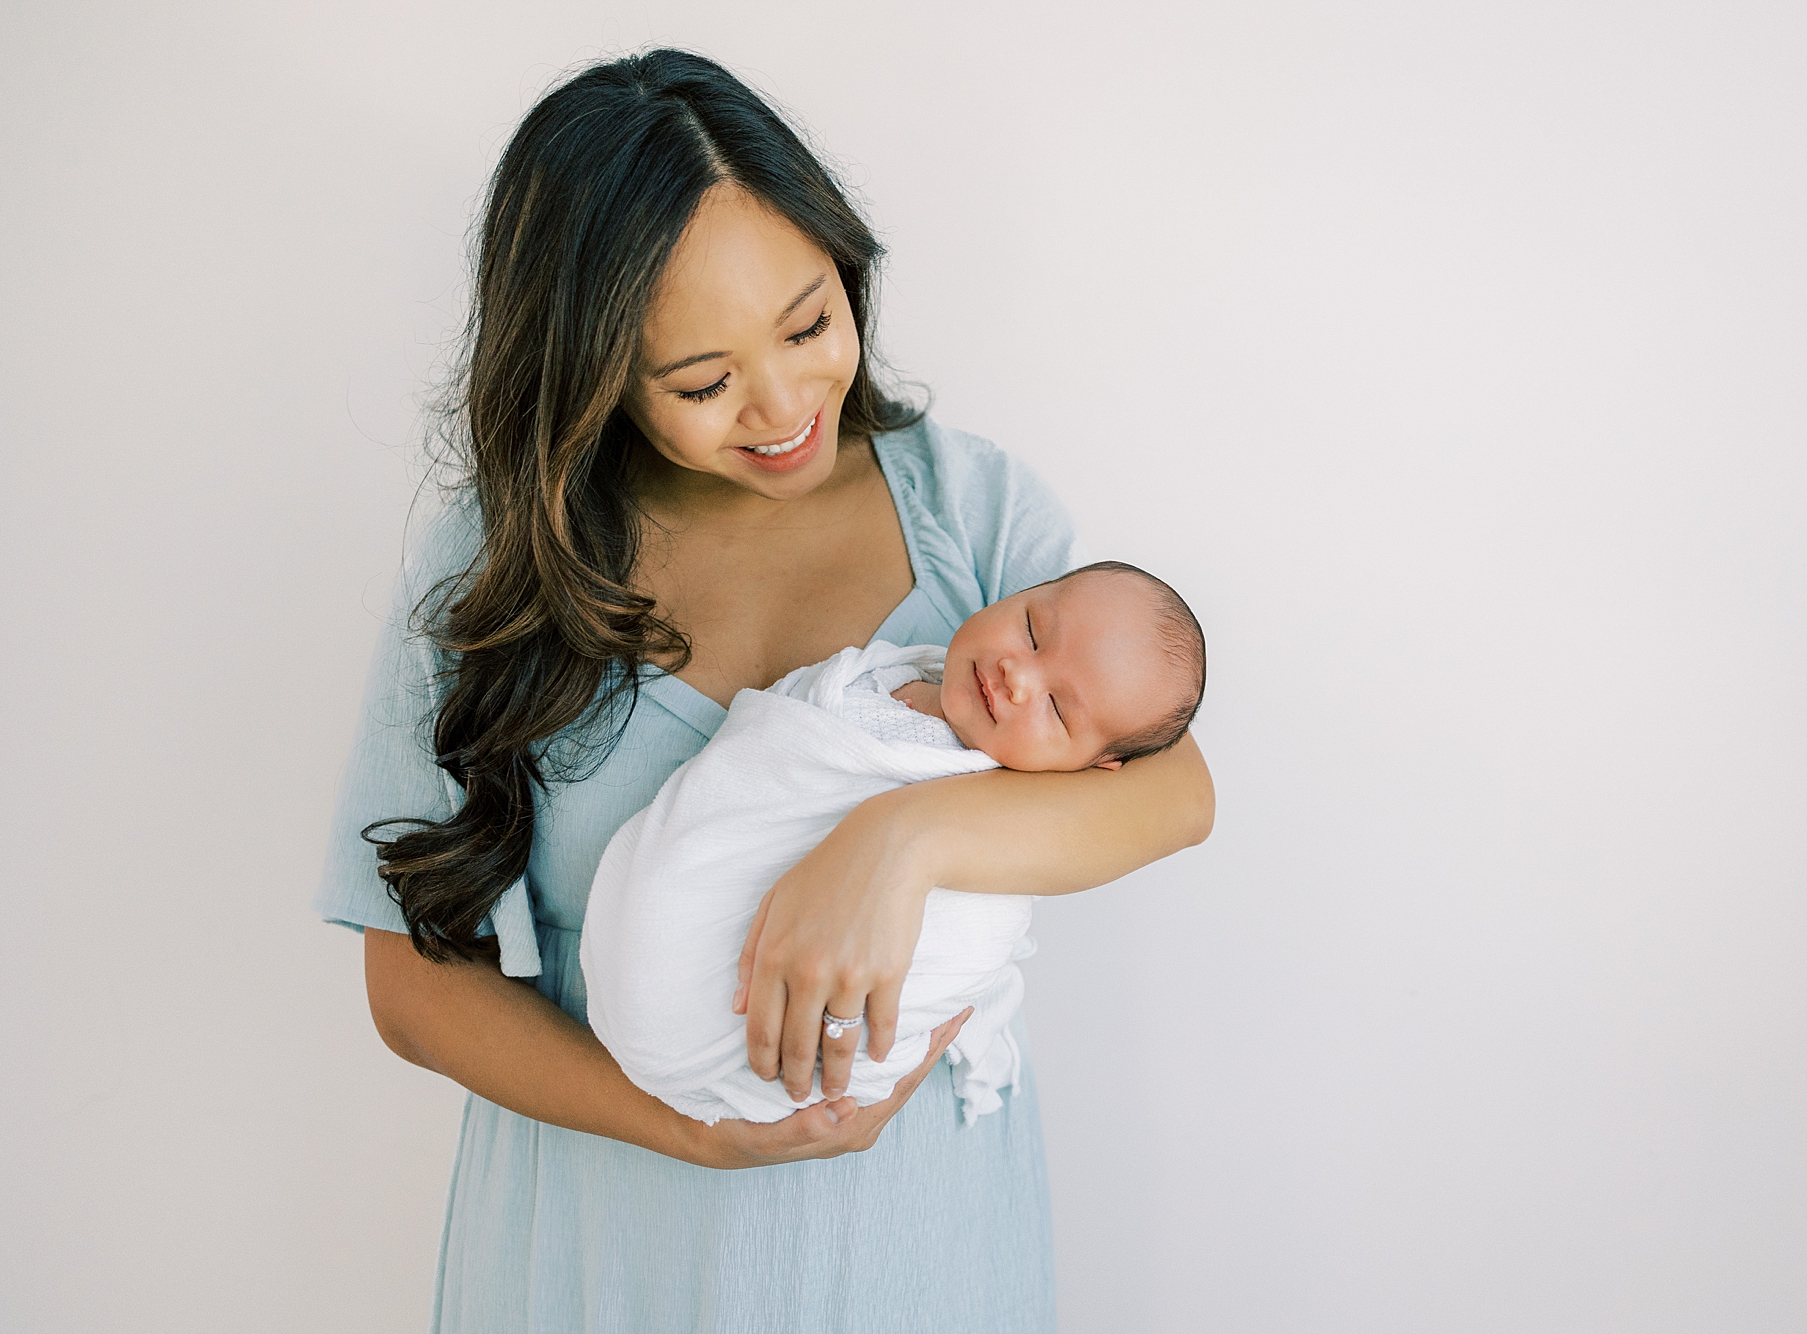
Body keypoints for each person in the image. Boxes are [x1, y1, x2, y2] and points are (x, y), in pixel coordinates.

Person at [314, 48, 1213, 1334]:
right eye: (702, 381)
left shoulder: (970, 515)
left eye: (808, 324)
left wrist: (900, 839)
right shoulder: (500, 563)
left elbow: (1174, 791)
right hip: (599, 1245)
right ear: (591, 373)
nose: (786, 402)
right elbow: (412, 985)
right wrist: (682, 1133)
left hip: (916, 1248)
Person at [581, 563, 1207, 1129]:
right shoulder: (880, 673)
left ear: (1097, 767)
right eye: (1032, 630)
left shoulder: (995, 869)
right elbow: (759, 754)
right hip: (638, 936)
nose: (1020, 676)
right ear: (1021, 591)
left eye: (1058, 710)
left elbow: (930, 989)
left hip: (739, 1045)